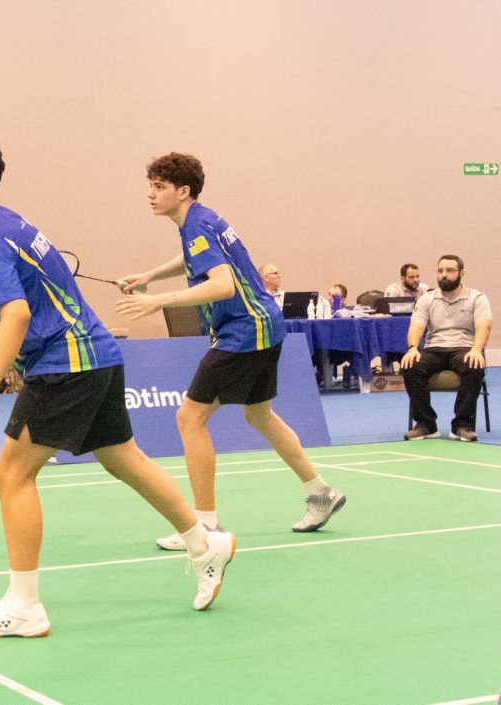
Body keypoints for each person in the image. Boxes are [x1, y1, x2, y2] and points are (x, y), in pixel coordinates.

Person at [0, 133, 236, 637]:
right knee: (124, 459)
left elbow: (14, 313)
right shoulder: (1, 224)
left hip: (65, 363)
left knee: (12, 475)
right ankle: (204, 543)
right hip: (97, 354)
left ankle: (24, 607)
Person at [116, 152, 346, 552]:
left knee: (190, 417)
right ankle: (320, 491)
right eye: (150, 186)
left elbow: (222, 285)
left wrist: (159, 301)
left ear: (183, 191)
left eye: (159, 187)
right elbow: (197, 259)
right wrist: (150, 275)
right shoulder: (200, 220)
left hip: (244, 331)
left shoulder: (196, 225)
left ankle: (204, 525)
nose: (150, 194)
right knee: (259, 415)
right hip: (264, 324)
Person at [402, 255, 491, 442]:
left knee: (474, 366)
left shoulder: (477, 298)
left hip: (464, 348)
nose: (444, 274)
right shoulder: (427, 298)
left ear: (461, 274)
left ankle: (462, 425)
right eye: (440, 270)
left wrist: (476, 350)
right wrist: (412, 348)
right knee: (411, 365)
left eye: (450, 270)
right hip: (434, 348)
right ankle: (426, 424)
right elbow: (416, 325)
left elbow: (484, 326)